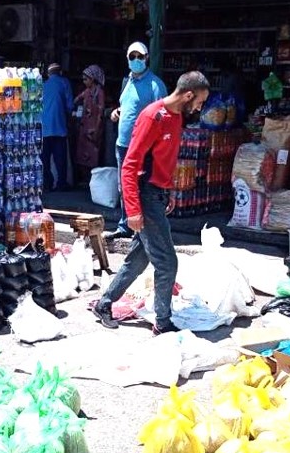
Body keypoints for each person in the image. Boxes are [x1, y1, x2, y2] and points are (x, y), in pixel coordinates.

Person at [93, 72, 211, 334]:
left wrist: (166, 192)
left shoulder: (177, 117)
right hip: (145, 195)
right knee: (167, 262)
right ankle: (163, 322)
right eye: (200, 102)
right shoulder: (152, 116)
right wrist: (133, 210)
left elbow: (163, 160)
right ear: (188, 95)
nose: (200, 108)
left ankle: (104, 303)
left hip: (156, 195)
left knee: (139, 257)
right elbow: (130, 164)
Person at [106, 42, 167, 240]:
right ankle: (125, 225)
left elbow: (162, 115)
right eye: (132, 57)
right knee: (124, 186)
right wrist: (117, 113)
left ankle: (140, 228)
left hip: (142, 146)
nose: (136, 60)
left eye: (139, 57)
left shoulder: (155, 85)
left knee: (139, 187)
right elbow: (126, 107)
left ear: (147, 58)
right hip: (123, 143)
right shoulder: (128, 82)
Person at [72, 65, 106, 187]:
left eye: (86, 79)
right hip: (84, 127)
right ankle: (85, 179)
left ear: (93, 79)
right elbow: (76, 100)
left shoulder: (99, 92)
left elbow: (101, 112)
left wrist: (96, 128)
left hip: (93, 128)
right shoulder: (87, 91)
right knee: (82, 154)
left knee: (93, 155)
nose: (84, 81)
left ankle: (93, 181)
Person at [41, 63, 72, 192]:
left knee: (45, 158)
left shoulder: (43, 85)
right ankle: (61, 183)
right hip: (59, 127)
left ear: (48, 74)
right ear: (60, 72)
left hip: (44, 127)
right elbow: (70, 105)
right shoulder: (64, 83)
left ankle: (47, 183)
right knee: (60, 158)